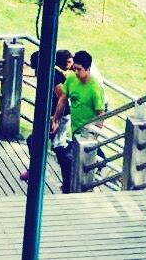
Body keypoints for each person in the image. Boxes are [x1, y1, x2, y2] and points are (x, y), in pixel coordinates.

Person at [19, 47, 70, 184]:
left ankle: (41, 171)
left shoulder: (53, 76)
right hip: (54, 116)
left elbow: (62, 97)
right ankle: (41, 170)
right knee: (53, 146)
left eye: (37, 69)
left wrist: (56, 119)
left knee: (39, 142)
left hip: (60, 117)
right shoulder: (47, 73)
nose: (36, 72)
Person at [60, 50, 105, 192]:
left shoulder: (95, 88)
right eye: (75, 69)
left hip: (86, 133)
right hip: (75, 131)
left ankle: (69, 188)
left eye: (79, 69)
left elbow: (100, 115)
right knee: (70, 159)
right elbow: (62, 99)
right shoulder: (72, 79)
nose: (76, 72)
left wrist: (94, 136)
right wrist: (56, 119)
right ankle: (100, 162)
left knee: (67, 158)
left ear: (88, 69)